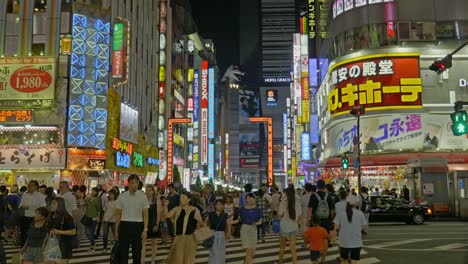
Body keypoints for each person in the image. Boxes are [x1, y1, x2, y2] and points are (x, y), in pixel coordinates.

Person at [115, 175, 149, 264]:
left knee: (137, 253)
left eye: (137, 183)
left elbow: (145, 214)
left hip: (138, 226)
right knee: (123, 252)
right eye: (133, 183)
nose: (135, 185)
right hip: (124, 225)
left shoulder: (142, 196)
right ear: (128, 183)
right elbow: (118, 214)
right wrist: (116, 230)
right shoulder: (122, 196)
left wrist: (145, 229)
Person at [164, 191, 203, 264]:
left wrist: (199, 220)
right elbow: (167, 215)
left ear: (189, 199)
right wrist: (165, 206)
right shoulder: (177, 209)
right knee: (178, 259)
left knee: (189, 259)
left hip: (191, 238)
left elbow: (200, 224)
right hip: (179, 238)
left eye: (183, 197)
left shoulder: (194, 209)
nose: (181, 199)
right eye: (180, 197)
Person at [307, 179, 335, 264]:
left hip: (315, 221)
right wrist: (332, 219)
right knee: (325, 239)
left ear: (317, 186)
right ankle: (323, 258)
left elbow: (309, 209)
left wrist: (308, 219)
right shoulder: (328, 196)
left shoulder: (313, 196)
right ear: (324, 186)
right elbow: (332, 211)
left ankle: (315, 259)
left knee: (314, 239)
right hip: (326, 220)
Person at [334, 195, 368, 264]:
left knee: (344, 261)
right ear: (355, 204)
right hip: (356, 241)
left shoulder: (341, 213)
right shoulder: (360, 213)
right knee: (354, 261)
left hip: (344, 241)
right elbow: (364, 226)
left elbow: (336, 227)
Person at [46, 197, 77, 263]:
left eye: (54, 203)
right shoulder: (50, 216)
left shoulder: (66, 217)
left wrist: (59, 232)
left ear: (60, 205)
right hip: (52, 244)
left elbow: (73, 231)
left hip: (64, 245)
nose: (51, 205)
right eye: (51, 203)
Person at [235, 193, 262, 264]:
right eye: (248, 197)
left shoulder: (258, 209)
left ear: (255, 199)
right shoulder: (242, 209)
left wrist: (256, 223)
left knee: (252, 253)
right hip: (245, 230)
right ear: (246, 200)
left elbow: (260, 221)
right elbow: (238, 220)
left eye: (252, 197)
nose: (250, 199)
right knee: (249, 251)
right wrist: (229, 221)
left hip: (253, 230)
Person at [278, 185, 302, 264]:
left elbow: (280, 215)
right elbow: (299, 217)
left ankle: (280, 261)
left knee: (282, 247)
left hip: (284, 226)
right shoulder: (297, 203)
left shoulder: (283, 203)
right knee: (293, 248)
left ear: (286, 194)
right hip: (293, 227)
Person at [19, 180, 46, 247]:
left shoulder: (41, 196)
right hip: (25, 217)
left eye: (31, 185)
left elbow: (43, 207)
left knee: (34, 234)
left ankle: (33, 248)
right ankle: (23, 248)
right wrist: (23, 206)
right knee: (24, 233)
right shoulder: (25, 195)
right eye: (29, 185)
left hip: (35, 218)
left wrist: (31, 207)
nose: (29, 187)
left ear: (36, 186)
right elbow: (20, 205)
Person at [206, 199, 231, 264]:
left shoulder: (225, 215)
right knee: (213, 251)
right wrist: (206, 231)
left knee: (221, 250)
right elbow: (205, 223)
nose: (221, 206)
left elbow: (228, 224)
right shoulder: (211, 214)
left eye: (222, 204)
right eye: (219, 204)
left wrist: (228, 232)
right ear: (215, 206)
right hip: (212, 233)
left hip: (221, 234)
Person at [142, 185, 162, 264]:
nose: (148, 192)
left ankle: (153, 260)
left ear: (153, 191)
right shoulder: (144, 200)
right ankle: (142, 261)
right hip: (145, 224)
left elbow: (159, 212)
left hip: (154, 223)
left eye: (150, 190)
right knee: (143, 243)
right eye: (147, 190)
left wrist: (157, 224)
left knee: (154, 242)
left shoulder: (156, 199)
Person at [83, 187, 102, 252]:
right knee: (87, 232)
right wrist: (86, 198)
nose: (92, 192)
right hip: (87, 217)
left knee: (90, 232)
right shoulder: (89, 198)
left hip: (94, 218)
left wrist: (98, 218)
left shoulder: (97, 199)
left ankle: (92, 245)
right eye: (92, 191)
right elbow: (85, 204)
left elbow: (99, 210)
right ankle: (93, 243)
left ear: (96, 192)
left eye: (93, 191)